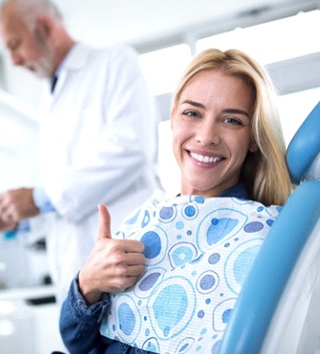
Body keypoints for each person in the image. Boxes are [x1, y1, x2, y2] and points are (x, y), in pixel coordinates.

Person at [58, 48, 292, 353]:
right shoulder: (145, 221)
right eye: (192, 113)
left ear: (252, 138)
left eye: (232, 121)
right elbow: (77, 342)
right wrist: (87, 284)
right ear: (172, 120)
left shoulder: (266, 236)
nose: (206, 136)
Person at [0, 0, 160, 349]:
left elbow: (131, 148)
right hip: (79, 292)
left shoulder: (114, 62)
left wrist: (35, 198)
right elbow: (67, 201)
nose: (13, 60)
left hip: (126, 273)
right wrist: (18, 218)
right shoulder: (48, 99)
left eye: (15, 45)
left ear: (45, 29)